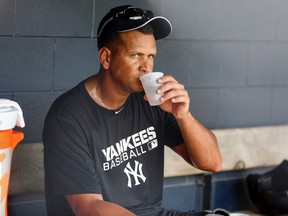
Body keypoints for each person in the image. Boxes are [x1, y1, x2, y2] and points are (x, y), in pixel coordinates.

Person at [43, 5, 222, 216]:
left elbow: (213, 163)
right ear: (106, 58)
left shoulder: (152, 101)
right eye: (136, 55)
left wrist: (183, 115)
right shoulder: (68, 117)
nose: (146, 67)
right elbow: (89, 208)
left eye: (151, 56)